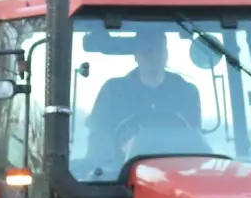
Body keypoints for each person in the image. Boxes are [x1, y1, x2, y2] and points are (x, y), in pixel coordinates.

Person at [84, 29, 203, 160]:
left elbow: (194, 141)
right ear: (136, 56)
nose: (154, 56)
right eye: (147, 51)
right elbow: (97, 140)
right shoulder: (113, 91)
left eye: (159, 50)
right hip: (120, 169)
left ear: (167, 54)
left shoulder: (187, 92)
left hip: (174, 167)